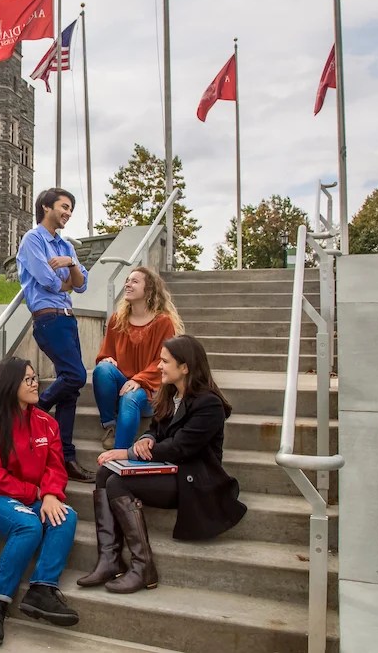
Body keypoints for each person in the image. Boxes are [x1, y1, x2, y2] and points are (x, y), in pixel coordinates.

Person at [77, 335, 248, 593]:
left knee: (118, 482)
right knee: (104, 473)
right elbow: (157, 430)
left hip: (194, 481)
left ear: (185, 367)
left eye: (165, 361)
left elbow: (180, 448)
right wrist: (146, 438)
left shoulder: (208, 404)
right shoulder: (170, 394)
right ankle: (110, 559)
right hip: (168, 469)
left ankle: (143, 567)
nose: (158, 366)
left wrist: (129, 452)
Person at [0, 357, 80, 644]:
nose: (35, 383)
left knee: (66, 516)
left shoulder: (46, 423)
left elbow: (55, 466)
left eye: (35, 377)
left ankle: (41, 590)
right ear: (9, 385)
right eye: (28, 379)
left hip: (29, 496)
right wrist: (38, 494)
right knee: (28, 525)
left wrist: (51, 494)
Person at [16, 187, 93, 482]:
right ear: (46, 207)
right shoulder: (33, 240)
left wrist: (70, 264)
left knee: (71, 390)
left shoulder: (65, 246)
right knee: (75, 376)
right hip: (48, 319)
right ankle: (34, 410)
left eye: (71, 208)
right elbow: (49, 282)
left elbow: (82, 283)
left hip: (68, 319)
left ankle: (66, 456)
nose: (68, 213)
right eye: (64, 206)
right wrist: (66, 280)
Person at [93, 267, 184, 452]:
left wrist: (138, 380)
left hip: (150, 390)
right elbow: (105, 353)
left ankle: (119, 455)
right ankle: (110, 424)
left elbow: (164, 363)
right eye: (127, 280)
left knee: (131, 397)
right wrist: (106, 360)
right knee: (102, 370)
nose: (128, 284)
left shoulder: (163, 322)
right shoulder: (117, 320)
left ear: (149, 289)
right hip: (122, 383)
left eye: (134, 281)